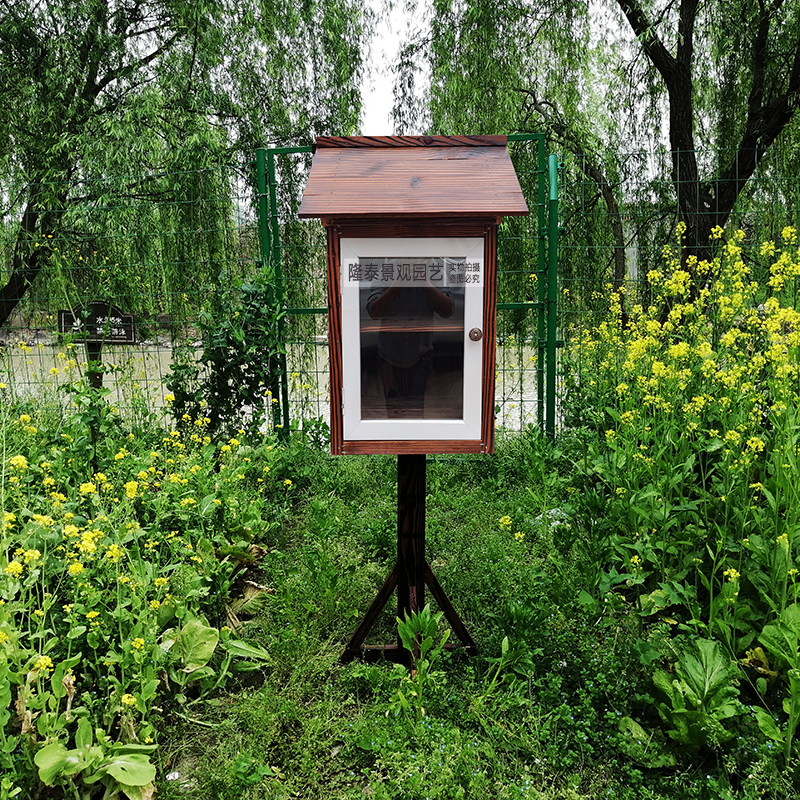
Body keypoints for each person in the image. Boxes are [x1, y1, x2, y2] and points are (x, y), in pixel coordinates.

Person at [366, 282, 454, 407]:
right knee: (393, 409)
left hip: (420, 354)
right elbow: (374, 312)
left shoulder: (432, 270)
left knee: (417, 409)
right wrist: (398, 282)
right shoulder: (387, 271)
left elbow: (447, 310)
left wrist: (423, 280)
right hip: (389, 357)